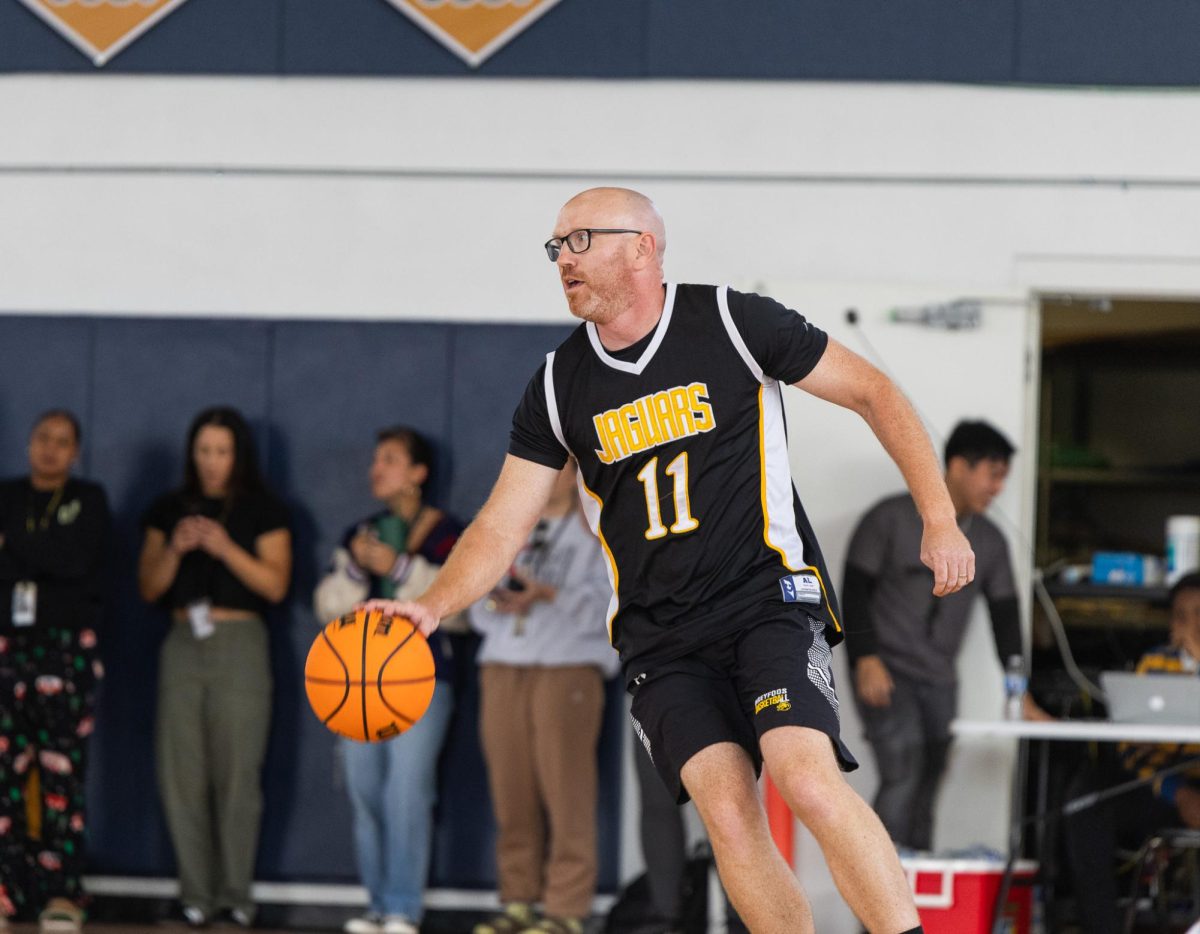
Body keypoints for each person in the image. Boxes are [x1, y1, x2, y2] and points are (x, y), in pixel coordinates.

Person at [365, 186, 977, 934]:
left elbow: (874, 392)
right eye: (556, 246)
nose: (563, 259)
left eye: (580, 240)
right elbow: (500, 524)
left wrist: (939, 517)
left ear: (642, 247)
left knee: (804, 778)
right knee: (724, 810)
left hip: (766, 601)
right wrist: (430, 605)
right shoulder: (558, 386)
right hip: (661, 636)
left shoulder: (731, 321)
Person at [843, 419, 1051, 852]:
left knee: (929, 783)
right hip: (887, 672)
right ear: (958, 465)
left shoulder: (990, 541)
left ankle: (916, 902)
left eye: (1003, 478)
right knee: (903, 771)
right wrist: (864, 657)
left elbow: (1006, 620)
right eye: (992, 474)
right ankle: (881, 911)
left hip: (940, 680)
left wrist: (1020, 692)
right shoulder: (890, 518)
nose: (998, 488)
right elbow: (853, 589)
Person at [137, 406, 292, 930]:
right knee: (181, 773)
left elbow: (275, 585)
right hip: (183, 640)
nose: (211, 462)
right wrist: (177, 550)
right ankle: (194, 895)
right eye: (203, 451)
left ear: (238, 455)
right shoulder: (168, 508)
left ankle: (236, 897)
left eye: (221, 451)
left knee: (237, 774)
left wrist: (225, 548)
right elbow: (150, 587)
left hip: (241, 641)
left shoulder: (262, 510)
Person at [313, 426, 464, 934]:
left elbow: (462, 609)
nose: (377, 469)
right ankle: (376, 904)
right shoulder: (362, 533)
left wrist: (400, 567)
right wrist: (358, 570)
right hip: (356, 681)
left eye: (391, 460)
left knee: (407, 791)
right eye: (376, 459)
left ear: (419, 473)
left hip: (423, 678)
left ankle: (402, 907)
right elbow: (328, 606)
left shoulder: (448, 533)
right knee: (364, 789)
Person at [469, 461, 617, 934]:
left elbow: (612, 608)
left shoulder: (599, 529)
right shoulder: (508, 525)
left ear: (574, 472)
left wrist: (550, 594)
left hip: (568, 668)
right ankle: (518, 901)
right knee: (511, 793)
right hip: (504, 666)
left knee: (566, 790)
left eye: (556, 466)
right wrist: (498, 599)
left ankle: (566, 909)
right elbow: (473, 605)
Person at [0, 410, 109, 934]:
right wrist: (42, 562)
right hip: (7, 651)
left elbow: (78, 561)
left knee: (61, 773)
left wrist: (16, 548)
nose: (50, 449)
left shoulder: (88, 501)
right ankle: (9, 888)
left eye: (62, 441)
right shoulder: (6, 495)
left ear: (76, 452)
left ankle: (62, 891)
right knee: (6, 773)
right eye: (42, 437)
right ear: (28, 443)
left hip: (65, 655)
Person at [1063, 572, 1200, 934]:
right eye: (1180, 616)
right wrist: (1178, 792)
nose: (1189, 626)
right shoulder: (1155, 664)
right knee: (1088, 799)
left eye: (1199, 614)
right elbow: (1133, 750)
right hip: (1166, 785)